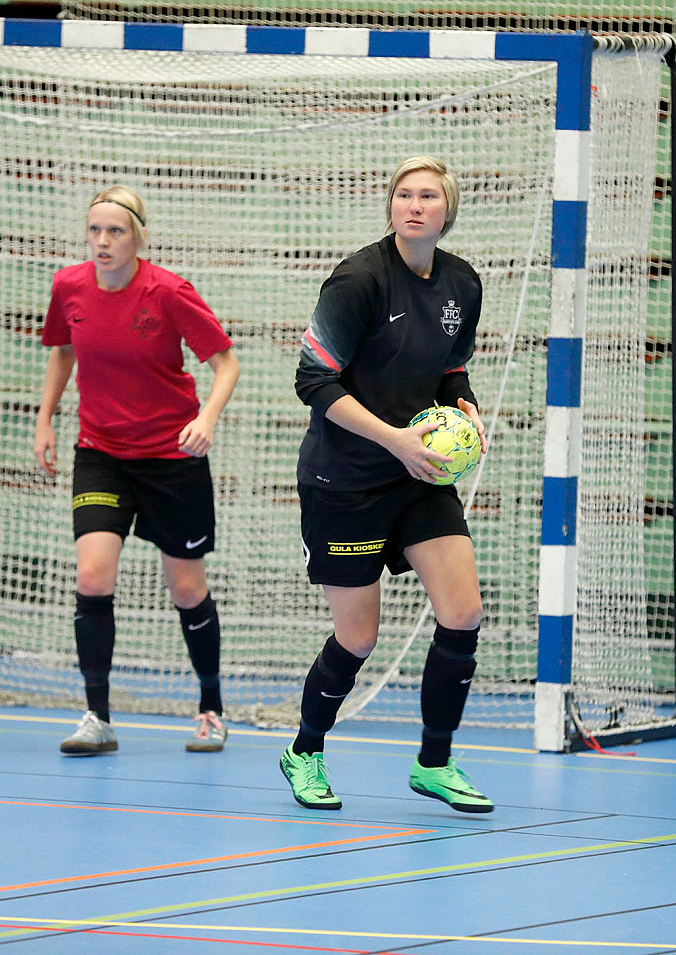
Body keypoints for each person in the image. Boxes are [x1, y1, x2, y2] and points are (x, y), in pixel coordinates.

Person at [280, 156, 493, 813]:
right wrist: (395, 440)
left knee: (464, 613)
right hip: (345, 479)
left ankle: (435, 762)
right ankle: (305, 751)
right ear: (392, 206)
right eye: (404, 194)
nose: (414, 204)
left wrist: (466, 407)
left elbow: (451, 369)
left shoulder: (463, 283)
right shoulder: (358, 280)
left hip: (420, 475)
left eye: (428, 195)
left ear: (446, 209)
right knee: (358, 638)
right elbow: (313, 382)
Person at [35, 185, 240, 756]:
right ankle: (97, 716)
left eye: (116, 231)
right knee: (92, 577)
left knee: (186, 587)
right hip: (100, 453)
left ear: (139, 236)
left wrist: (207, 418)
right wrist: (45, 418)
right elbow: (63, 351)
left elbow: (226, 363)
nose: (103, 242)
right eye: (94, 230)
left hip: (172, 457)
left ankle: (211, 708)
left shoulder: (170, 292)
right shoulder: (68, 287)